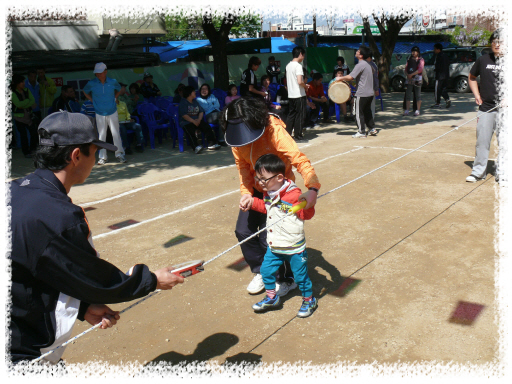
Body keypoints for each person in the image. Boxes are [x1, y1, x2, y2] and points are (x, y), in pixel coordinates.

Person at [8, 111, 184, 365]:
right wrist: (152, 280)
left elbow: (33, 273)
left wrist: (82, 308)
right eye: (94, 151)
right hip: (21, 352)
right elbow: (94, 279)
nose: (97, 159)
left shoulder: (14, 190)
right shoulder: (59, 217)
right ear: (76, 156)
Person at [220, 96, 321, 297]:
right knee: (243, 230)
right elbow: (242, 167)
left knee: (273, 237)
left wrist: (313, 187)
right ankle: (261, 271)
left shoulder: (273, 129)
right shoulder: (235, 137)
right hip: (257, 187)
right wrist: (246, 194)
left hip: (279, 189)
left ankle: (287, 278)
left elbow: (298, 159)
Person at [249, 154, 318, 318]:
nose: (260, 183)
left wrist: (308, 204)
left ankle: (309, 299)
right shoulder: (269, 192)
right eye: (258, 178)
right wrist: (252, 202)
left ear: (279, 177)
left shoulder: (295, 195)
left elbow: (307, 214)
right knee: (266, 271)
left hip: (294, 246)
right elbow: (268, 208)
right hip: (275, 246)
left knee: (300, 277)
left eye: (263, 179)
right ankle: (272, 298)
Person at [466, 29, 502, 183]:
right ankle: (478, 172)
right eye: (494, 41)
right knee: (482, 142)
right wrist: (477, 95)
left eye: (501, 41)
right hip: (486, 108)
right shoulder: (483, 60)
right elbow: (472, 77)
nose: (497, 44)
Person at [83, 62, 125, 164]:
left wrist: (115, 97)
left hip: (112, 111)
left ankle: (120, 154)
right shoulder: (91, 83)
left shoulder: (113, 81)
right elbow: (85, 91)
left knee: (116, 134)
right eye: (96, 73)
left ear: (105, 72)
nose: (98, 74)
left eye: (100, 72)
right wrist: (92, 100)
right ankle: (102, 157)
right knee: (101, 135)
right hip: (99, 112)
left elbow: (120, 89)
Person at [335, 46, 376, 138]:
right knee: (367, 111)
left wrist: (339, 78)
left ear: (361, 55)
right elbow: (370, 74)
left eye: (358, 51)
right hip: (369, 93)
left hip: (362, 93)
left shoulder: (360, 64)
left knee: (357, 112)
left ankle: (361, 132)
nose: (356, 52)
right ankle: (371, 128)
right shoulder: (368, 64)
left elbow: (350, 77)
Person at [178, 85, 221, 154]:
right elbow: (184, 115)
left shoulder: (195, 101)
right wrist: (193, 121)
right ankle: (196, 147)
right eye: (193, 91)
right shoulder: (183, 102)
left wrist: (198, 120)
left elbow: (201, 111)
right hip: (187, 121)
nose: (195, 92)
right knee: (190, 131)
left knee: (207, 127)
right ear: (189, 93)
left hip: (197, 120)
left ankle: (212, 144)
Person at [285, 46, 310, 140]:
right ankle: (298, 135)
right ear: (300, 54)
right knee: (300, 115)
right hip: (299, 95)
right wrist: (306, 86)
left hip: (291, 94)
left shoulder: (288, 65)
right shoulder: (298, 66)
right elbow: (300, 81)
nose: (303, 57)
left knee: (291, 115)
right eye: (303, 55)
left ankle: (288, 134)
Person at [11, 74, 39, 158]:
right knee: (23, 136)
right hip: (19, 118)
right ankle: (26, 152)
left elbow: (33, 100)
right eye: (21, 82)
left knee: (34, 133)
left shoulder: (26, 90)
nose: (23, 83)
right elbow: (18, 104)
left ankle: (32, 150)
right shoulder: (12, 93)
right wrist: (28, 101)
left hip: (29, 116)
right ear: (17, 83)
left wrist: (26, 104)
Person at [403, 46, 425, 116]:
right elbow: (406, 69)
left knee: (418, 95)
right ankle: (407, 110)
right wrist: (407, 75)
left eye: (415, 51)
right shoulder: (409, 59)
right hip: (409, 79)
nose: (413, 53)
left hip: (417, 79)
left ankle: (417, 110)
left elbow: (420, 69)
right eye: (412, 51)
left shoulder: (421, 60)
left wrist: (411, 74)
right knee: (408, 95)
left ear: (418, 52)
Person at [431, 43, 451, 109]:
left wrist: (435, 70)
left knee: (437, 90)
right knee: (443, 89)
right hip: (446, 75)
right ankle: (447, 99)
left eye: (435, 49)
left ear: (438, 49)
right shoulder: (445, 55)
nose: (434, 50)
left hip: (439, 76)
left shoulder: (438, 56)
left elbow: (437, 66)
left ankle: (437, 103)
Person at [366, 56, 380, 127]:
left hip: (371, 88)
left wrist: (376, 88)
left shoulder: (373, 65)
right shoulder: (363, 64)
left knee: (371, 105)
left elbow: (375, 78)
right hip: (364, 89)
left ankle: (371, 122)